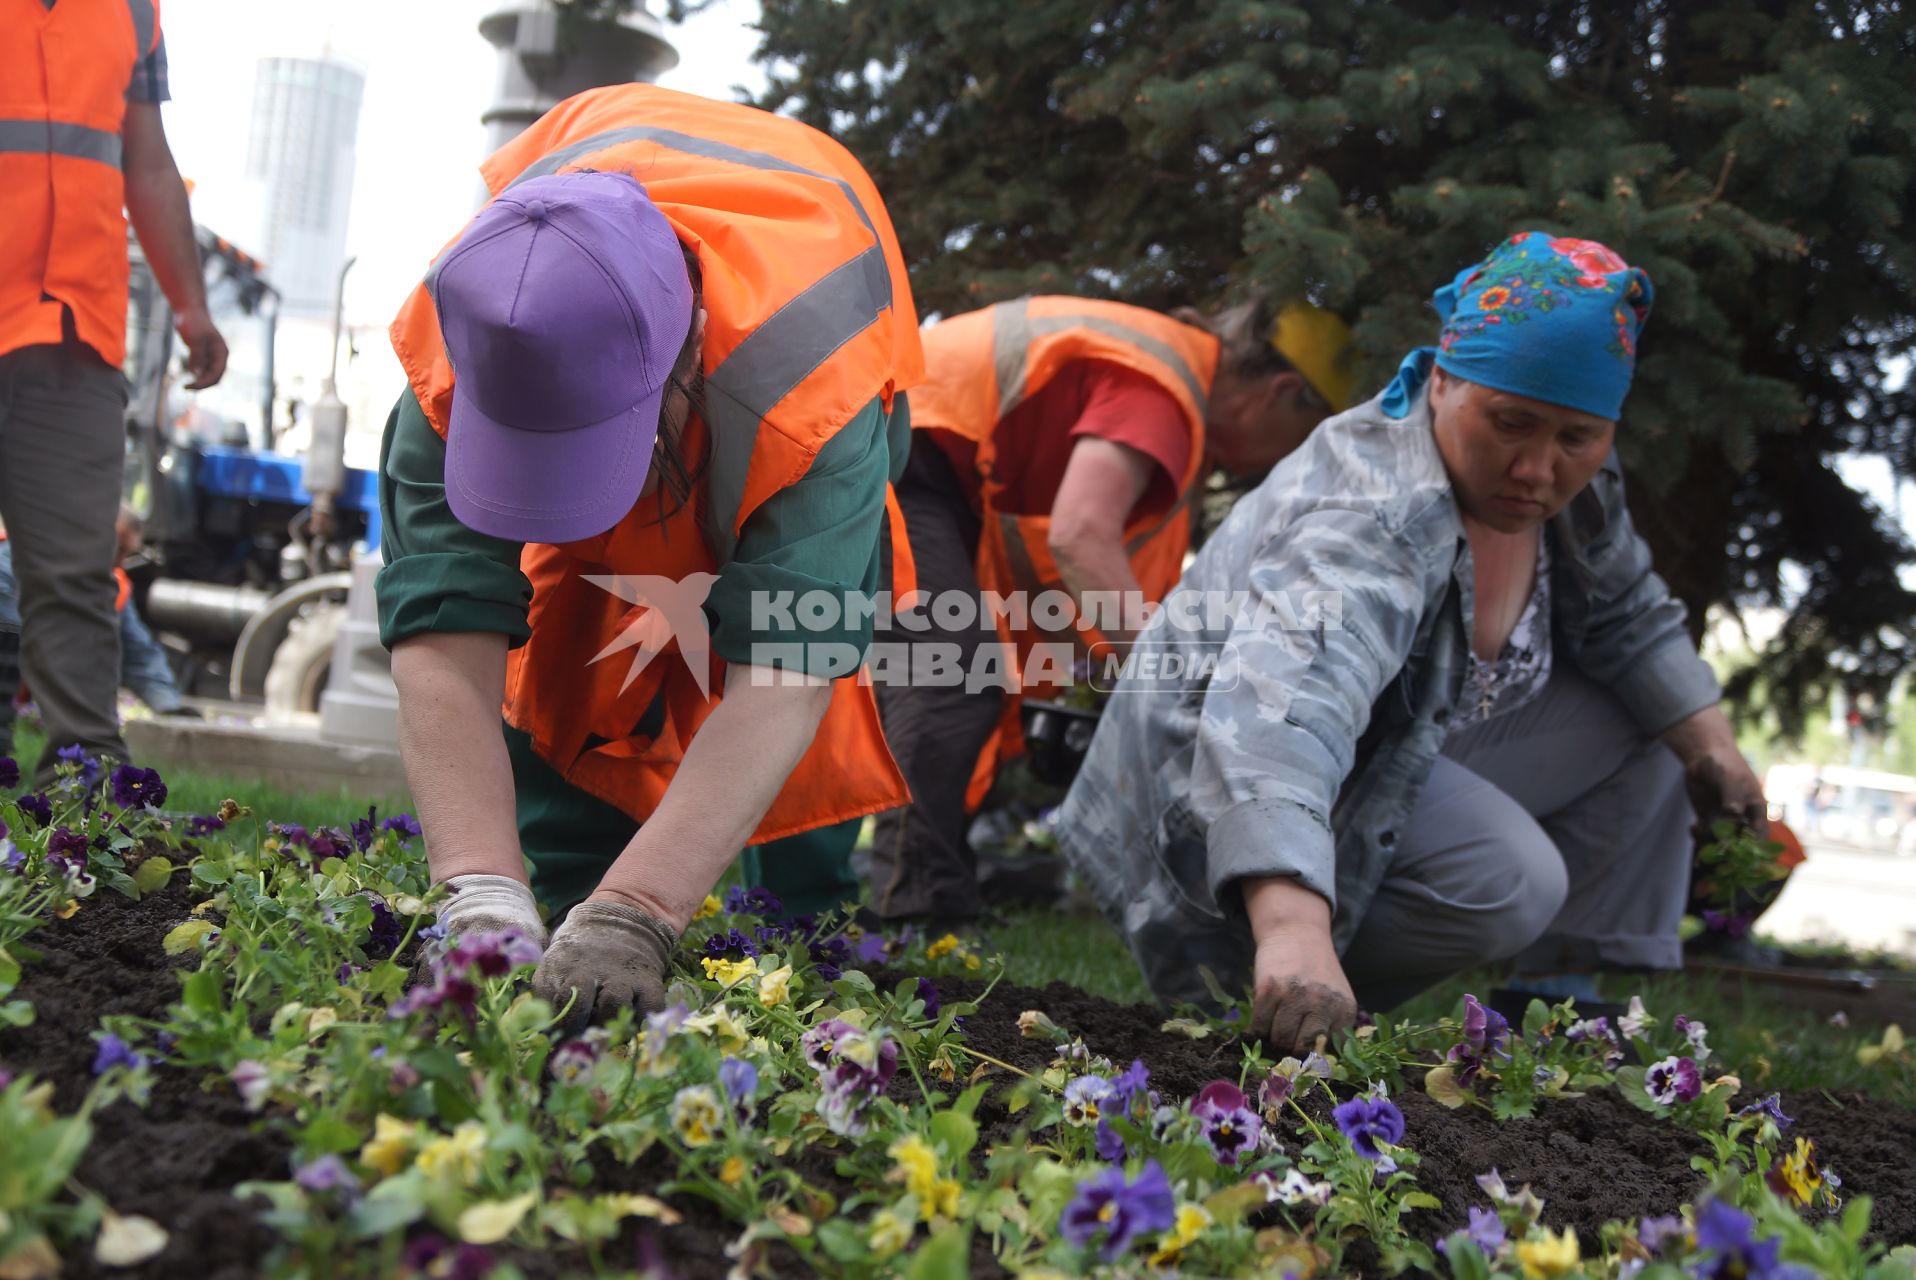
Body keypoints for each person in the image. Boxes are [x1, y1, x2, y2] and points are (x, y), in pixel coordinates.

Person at [1058, 231, 1768, 1055]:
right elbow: (1281, 710)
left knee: (1660, 729)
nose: (1539, 468)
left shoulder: (1574, 485)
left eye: (1576, 437)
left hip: (1384, 753)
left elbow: (1625, 617)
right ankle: (1270, 993)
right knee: (1508, 879)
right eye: (1512, 423)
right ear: (1442, 383)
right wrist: (1292, 925)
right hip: (1203, 793)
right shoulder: (1373, 510)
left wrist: (1714, 748)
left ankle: (1555, 1004)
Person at [377, 84, 922, 1023]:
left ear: (685, 362)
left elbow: (786, 673)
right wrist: (479, 892)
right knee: (568, 662)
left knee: (798, 736)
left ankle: (792, 946)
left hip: (783, 406)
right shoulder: (461, 347)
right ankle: (561, 900)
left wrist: (640, 915)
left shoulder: (814, 385)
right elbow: (441, 628)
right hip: (643, 365)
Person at [864, 295, 1357, 925]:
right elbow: (1080, 537)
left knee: (963, 675)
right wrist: (1173, 680)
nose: (1292, 465)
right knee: (950, 678)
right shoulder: (1165, 393)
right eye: (1308, 440)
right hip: (888, 443)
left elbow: (1053, 561)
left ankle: (933, 896)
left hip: (912, 448)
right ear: (1280, 392)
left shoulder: (1167, 377)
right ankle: (912, 911)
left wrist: (1104, 664)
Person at [1, 0, 226, 781]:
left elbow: (149, 163)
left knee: (74, 574)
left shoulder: (133, 11)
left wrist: (192, 305)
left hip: (75, 332)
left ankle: (85, 795)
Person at [0, 507, 189, 756]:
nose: (120, 562)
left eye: (127, 553)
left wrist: (168, 705)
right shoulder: (17, 558)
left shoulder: (114, 587)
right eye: (117, 549)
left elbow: (138, 654)